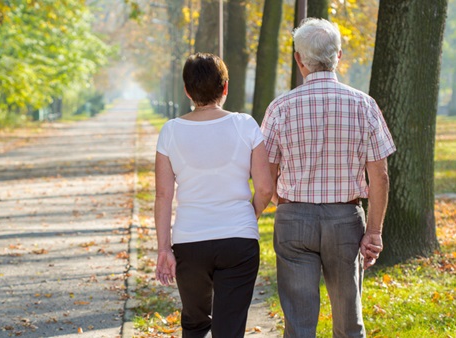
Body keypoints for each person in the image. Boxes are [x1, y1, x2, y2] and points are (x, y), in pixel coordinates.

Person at [260, 18, 396, 338]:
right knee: (349, 323)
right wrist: (373, 232)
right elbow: (380, 176)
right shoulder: (364, 105)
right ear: (339, 56)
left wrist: (285, 200)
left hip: (294, 219)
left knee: (299, 324)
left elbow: (267, 172)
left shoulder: (280, 108)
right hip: (345, 219)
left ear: (298, 59)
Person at [155, 52, 273, 338]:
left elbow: (162, 195)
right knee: (229, 328)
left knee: (195, 323)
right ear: (225, 87)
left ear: (187, 90)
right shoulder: (246, 125)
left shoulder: (170, 131)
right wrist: (249, 215)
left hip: (190, 241)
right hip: (239, 240)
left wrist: (164, 248)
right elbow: (266, 188)